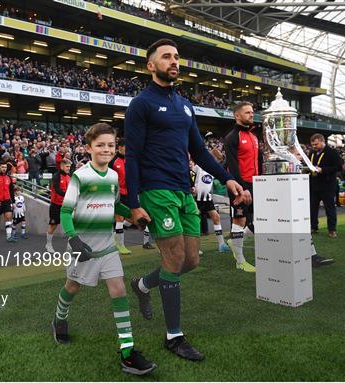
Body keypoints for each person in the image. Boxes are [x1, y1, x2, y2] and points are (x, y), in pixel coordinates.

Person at [124, 39, 250, 361]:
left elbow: (199, 151)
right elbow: (133, 156)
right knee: (174, 257)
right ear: (151, 65)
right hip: (157, 190)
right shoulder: (141, 104)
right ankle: (174, 337)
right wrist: (134, 201)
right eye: (166, 57)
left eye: (177, 57)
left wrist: (227, 178)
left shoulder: (185, 105)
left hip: (184, 190)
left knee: (191, 260)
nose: (174, 61)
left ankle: (141, 285)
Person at [51, 123, 157, 376]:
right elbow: (66, 212)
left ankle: (128, 353)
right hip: (82, 246)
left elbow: (116, 205)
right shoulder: (80, 176)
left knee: (118, 289)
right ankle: (59, 319)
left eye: (110, 145)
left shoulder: (112, 177)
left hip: (107, 247)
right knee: (72, 287)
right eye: (100, 145)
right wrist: (74, 240)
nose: (106, 149)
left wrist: (133, 216)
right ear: (88, 148)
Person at [223, 101, 261, 273]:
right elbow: (232, 165)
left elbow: (259, 163)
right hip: (239, 185)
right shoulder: (232, 137)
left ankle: (234, 241)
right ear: (237, 116)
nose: (251, 114)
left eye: (252, 112)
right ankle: (240, 261)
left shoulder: (254, 136)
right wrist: (242, 188)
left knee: (261, 220)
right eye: (247, 112)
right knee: (240, 220)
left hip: (255, 184)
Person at [109, 139, 154, 254]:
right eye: (125, 147)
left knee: (132, 219)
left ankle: (116, 237)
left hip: (130, 194)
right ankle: (120, 246)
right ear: (119, 147)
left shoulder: (131, 160)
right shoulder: (113, 162)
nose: (128, 150)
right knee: (119, 219)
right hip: (118, 194)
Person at [190, 161, 230, 253]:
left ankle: (221, 244)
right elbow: (191, 176)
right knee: (195, 221)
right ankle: (194, 248)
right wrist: (191, 188)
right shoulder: (197, 167)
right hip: (196, 198)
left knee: (216, 217)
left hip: (207, 197)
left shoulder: (212, 168)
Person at [308, 133, 342, 237]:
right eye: (312, 144)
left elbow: (339, 167)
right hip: (314, 184)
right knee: (312, 208)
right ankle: (314, 227)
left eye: (316, 144)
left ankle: (332, 230)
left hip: (327, 185)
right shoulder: (312, 153)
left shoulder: (332, 152)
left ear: (323, 141)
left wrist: (323, 170)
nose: (314, 146)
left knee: (329, 208)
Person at [45, 159, 71, 253]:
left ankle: (71, 246)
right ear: (62, 166)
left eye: (69, 166)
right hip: (56, 205)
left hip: (66, 205)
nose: (69, 168)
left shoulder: (69, 177)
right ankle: (48, 245)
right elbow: (57, 190)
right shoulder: (56, 176)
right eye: (67, 166)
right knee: (53, 225)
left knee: (70, 225)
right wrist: (68, 195)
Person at [0, 162, 15, 242]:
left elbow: (11, 191)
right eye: (2, 167)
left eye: (5, 167)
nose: (4, 168)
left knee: (8, 218)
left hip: (7, 201)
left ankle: (9, 237)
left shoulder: (9, 177)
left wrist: (13, 202)